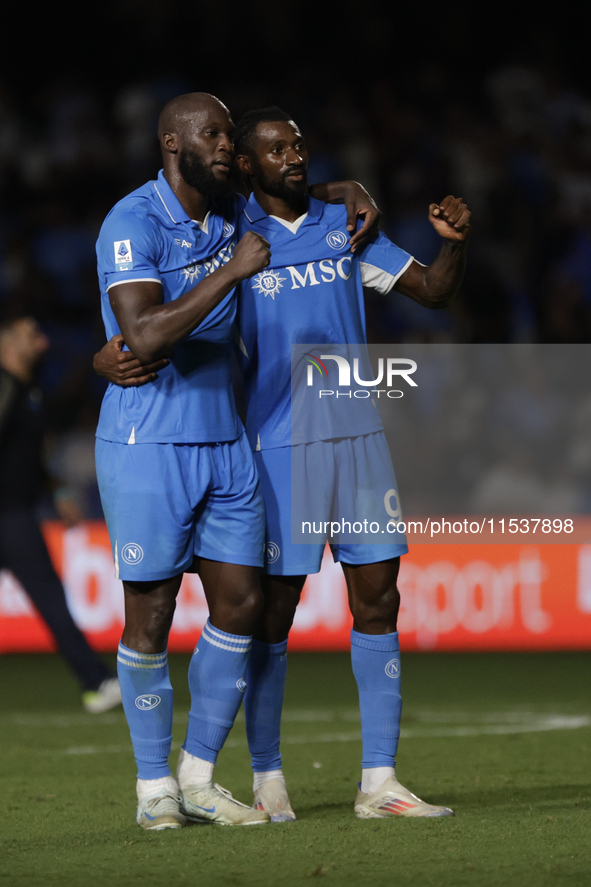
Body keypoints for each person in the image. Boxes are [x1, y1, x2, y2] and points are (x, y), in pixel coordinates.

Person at [94, 92, 380, 831]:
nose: (225, 146)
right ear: (170, 143)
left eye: (228, 135)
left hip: (229, 441)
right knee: (151, 612)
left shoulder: (227, 216)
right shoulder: (132, 221)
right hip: (151, 441)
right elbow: (147, 334)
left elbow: (283, 193)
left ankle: (196, 773)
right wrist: (230, 272)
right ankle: (153, 785)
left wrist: (338, 189)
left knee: (243, 605)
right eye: (211, 135)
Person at [228, 107, 470, 821]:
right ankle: (267, 778)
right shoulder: (235, 237)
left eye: (297, 145)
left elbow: (431, 288)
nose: (292, 156)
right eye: (275, 149)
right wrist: (346, 183)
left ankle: (379, 781)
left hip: (359, 436)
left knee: (379, 599)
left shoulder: (346, 228)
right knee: (273, 614)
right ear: (247, 166)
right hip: (280, 443)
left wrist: (453, 243)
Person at [0, 315, 121, 714]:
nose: (42, 339)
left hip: (16, 512)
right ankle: (97, 681)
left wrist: (61, 491)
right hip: (9, 516)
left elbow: (31, 460)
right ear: (8, 344)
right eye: (30, 333)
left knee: (51, 598)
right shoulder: (6, 386)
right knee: (50, 600)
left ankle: (96, 681)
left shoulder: (27, 391)